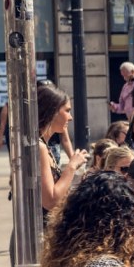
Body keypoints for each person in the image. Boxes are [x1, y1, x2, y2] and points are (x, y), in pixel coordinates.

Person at [38, 83, 89, 217]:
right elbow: (50, 200)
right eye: (67, 110)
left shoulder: (43, 144)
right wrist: (71, 166)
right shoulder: (40, 147)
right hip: (41, 229)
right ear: (52, 112)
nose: (70, 117)